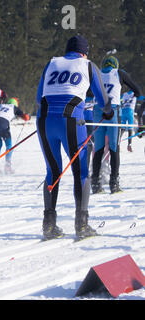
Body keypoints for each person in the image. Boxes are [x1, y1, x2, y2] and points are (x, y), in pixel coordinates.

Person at [36, 35, 113, 241]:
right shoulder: (87, 65)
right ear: (84, 52)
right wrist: (107, 111)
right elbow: (103, 100)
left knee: (53, 171)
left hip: (44, 120)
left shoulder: (51, 63)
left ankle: (49, 225)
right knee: (80, 173)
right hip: (70, 120)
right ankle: (82, 224)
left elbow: (38, 98)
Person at [91, 56, 142, 194]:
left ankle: (95, 184)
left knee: (99, 148)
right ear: (115, 65)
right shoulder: (119, 73)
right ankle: (114, 184)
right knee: (114, 148)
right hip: (113, 111)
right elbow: (137, 91)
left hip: (97, 111)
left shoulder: (97, 73)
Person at [0, 97, 30, 174]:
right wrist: (27, 117)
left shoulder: (1, 106)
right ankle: (7, 167)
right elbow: (25, 117)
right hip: (3, 123)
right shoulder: (14, 107)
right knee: (9, 145)